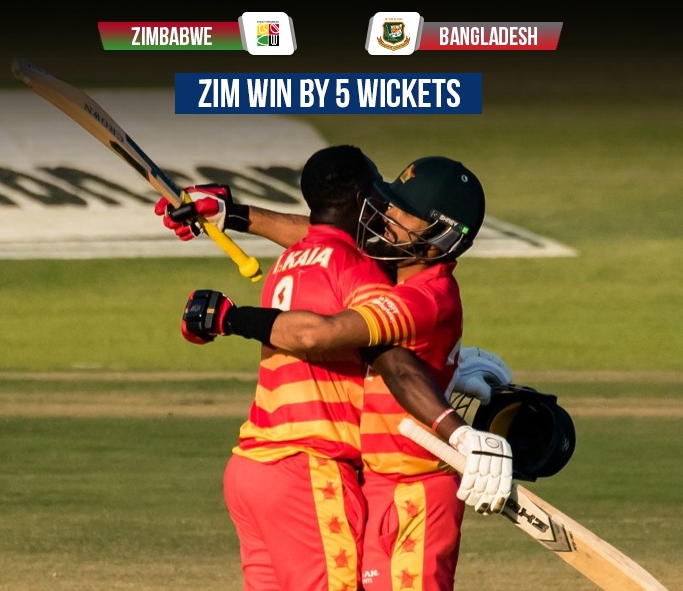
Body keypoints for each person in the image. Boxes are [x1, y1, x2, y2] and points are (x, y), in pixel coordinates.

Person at [167, 146, 511, 591]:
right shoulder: (387, 267)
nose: (384, 213)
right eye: (387, 201)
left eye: (400, 211)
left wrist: (230, 318)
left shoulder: (418, 297)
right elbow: (329, 238)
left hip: (416, 487)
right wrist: (232, 214)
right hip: (375, 485)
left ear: (439, 237)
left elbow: (341, 343)